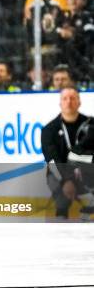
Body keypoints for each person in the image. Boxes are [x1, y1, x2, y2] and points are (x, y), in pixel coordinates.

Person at [41, 87, 91, 218]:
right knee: (62, 198)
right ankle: (61, 220)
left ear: (79, 102)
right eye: (65, 98)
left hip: (86, 172)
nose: (69, 102)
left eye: (73, 98)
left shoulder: (91, 125)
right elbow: (51, 160)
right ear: (60, 103)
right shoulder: (49, 130)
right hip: (59, 174)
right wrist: (67, 180)